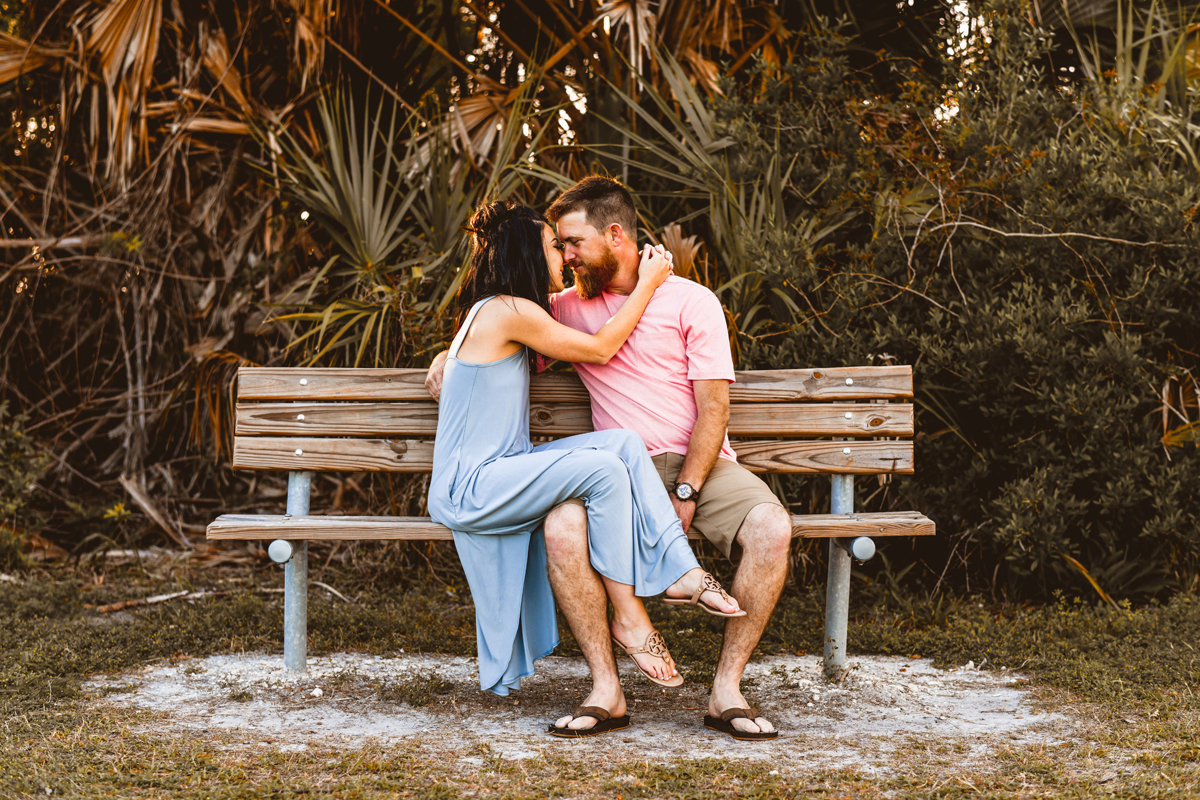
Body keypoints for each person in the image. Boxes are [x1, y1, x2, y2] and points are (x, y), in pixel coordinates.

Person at [428, 178, 793, 741]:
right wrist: (446, 355)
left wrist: (688, 492)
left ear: (614, 234)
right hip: (604, 475)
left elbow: (714, 406)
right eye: (558, 246)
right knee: (571, 517)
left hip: (696, 466)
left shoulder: (693, 300)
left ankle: (726, 691)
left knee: (772, 527)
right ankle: (609, 684)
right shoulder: (561, 307)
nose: (567, 255)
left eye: (571, 242)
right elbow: (501, 331)